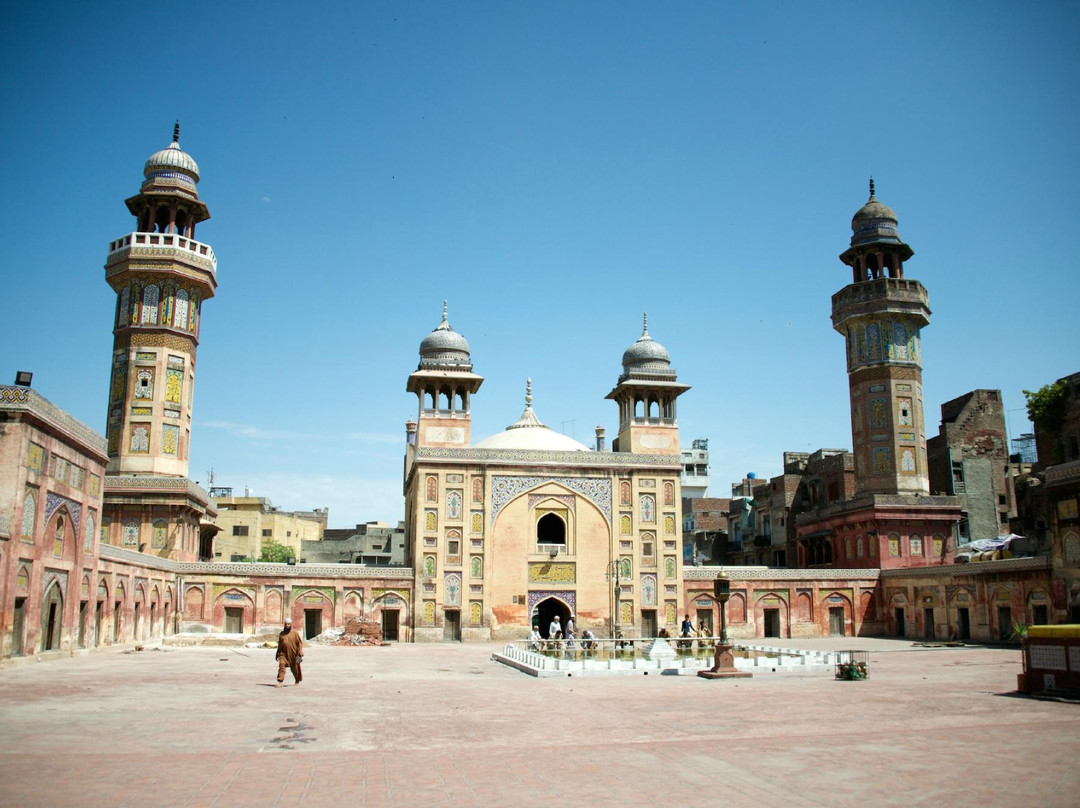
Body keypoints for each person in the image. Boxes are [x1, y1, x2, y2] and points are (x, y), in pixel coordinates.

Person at [275, 616, 304, 688]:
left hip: (294, 654)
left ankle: (297, 680)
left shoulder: (295, 633)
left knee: (295, 668)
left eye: (288, 624)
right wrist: (277, 653)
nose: (287, 626)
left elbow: (300, 643)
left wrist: (300, 651)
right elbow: (280, 644)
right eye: (285, 624)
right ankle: (280, 681)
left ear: (291, 625)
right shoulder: (281, 634)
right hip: (283, 654)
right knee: (281, 666)